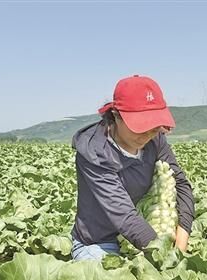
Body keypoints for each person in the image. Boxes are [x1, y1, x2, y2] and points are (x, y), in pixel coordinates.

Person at [70, 75, 195, 261]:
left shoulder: (155, 139)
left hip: (147, 237)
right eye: (140, 127)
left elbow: (181, 185)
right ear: (115, 116)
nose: (147, 135)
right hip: (100, 242)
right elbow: (125, 217)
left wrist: (180, 247)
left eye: (153, 127)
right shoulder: (94, 152)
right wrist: (165, 259)